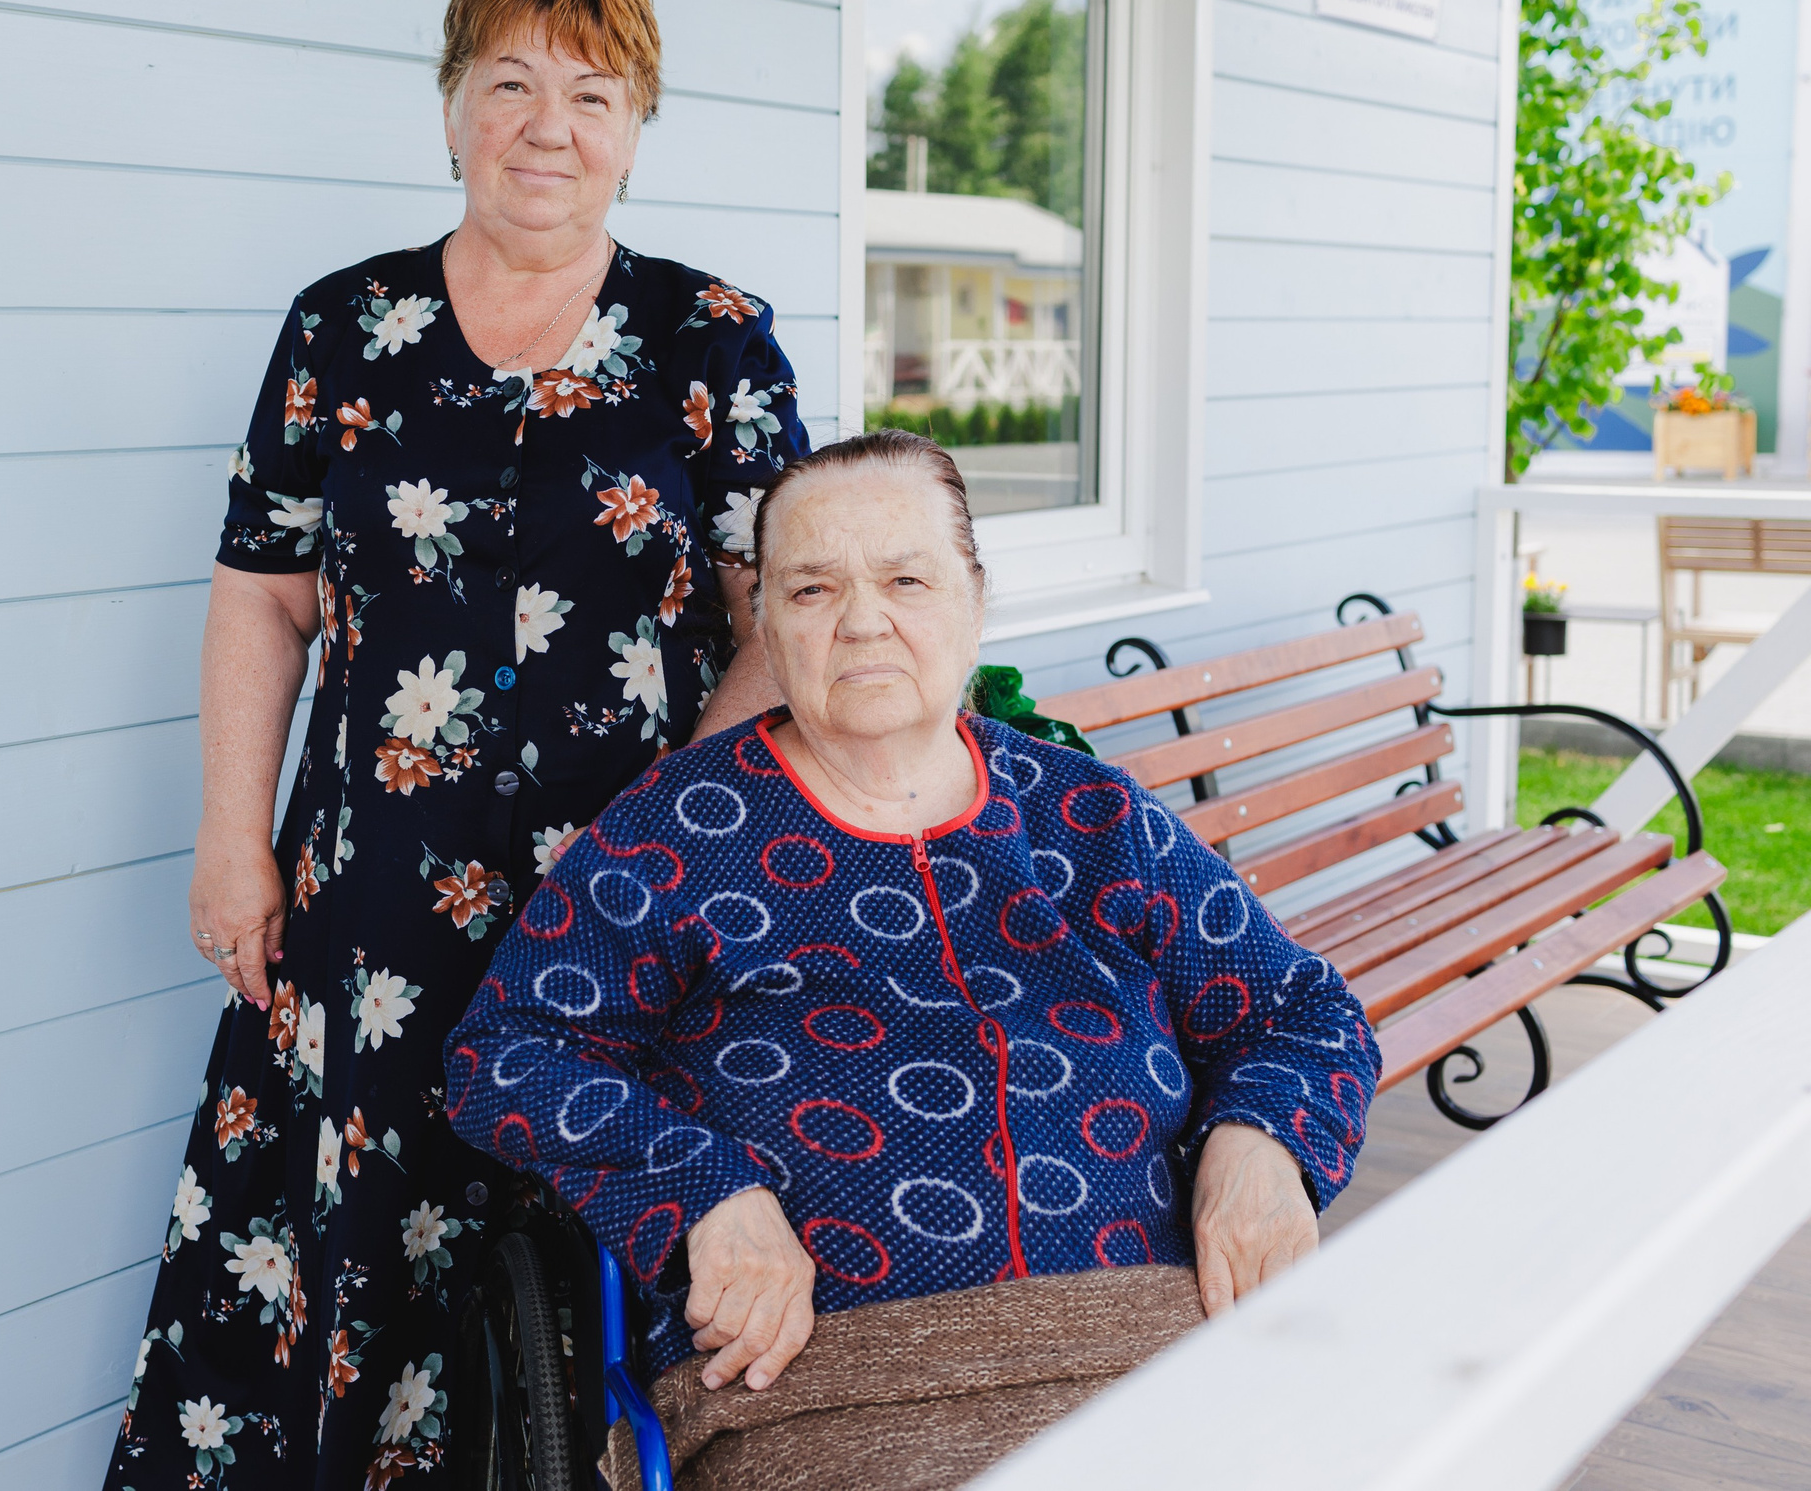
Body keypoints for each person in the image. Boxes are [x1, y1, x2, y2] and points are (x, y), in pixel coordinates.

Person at [107, 0, 810, 1491]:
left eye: (592, 91)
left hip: (626, 906)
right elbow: (263, 593)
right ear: (448, 111)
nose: (546, 124)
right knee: (343, 1270)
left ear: (637, 130)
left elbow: (788, 617)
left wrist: (665, 825)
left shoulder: (713, 340)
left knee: (604, 1287)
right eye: (508, 82)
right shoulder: (341, 330)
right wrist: (233, 837)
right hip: (369, 909)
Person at [443, 430, 1379, 1482]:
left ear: (973, 601)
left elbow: (1298, 1009)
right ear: (764, 626)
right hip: (833, 1385)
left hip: (1159, 1352)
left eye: (904, 577)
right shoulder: (677, 832)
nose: (861, 620)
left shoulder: (1086, 814)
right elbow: (507, 1052)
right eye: (808, 590)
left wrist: (1257, 1148)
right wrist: (703, 1190)